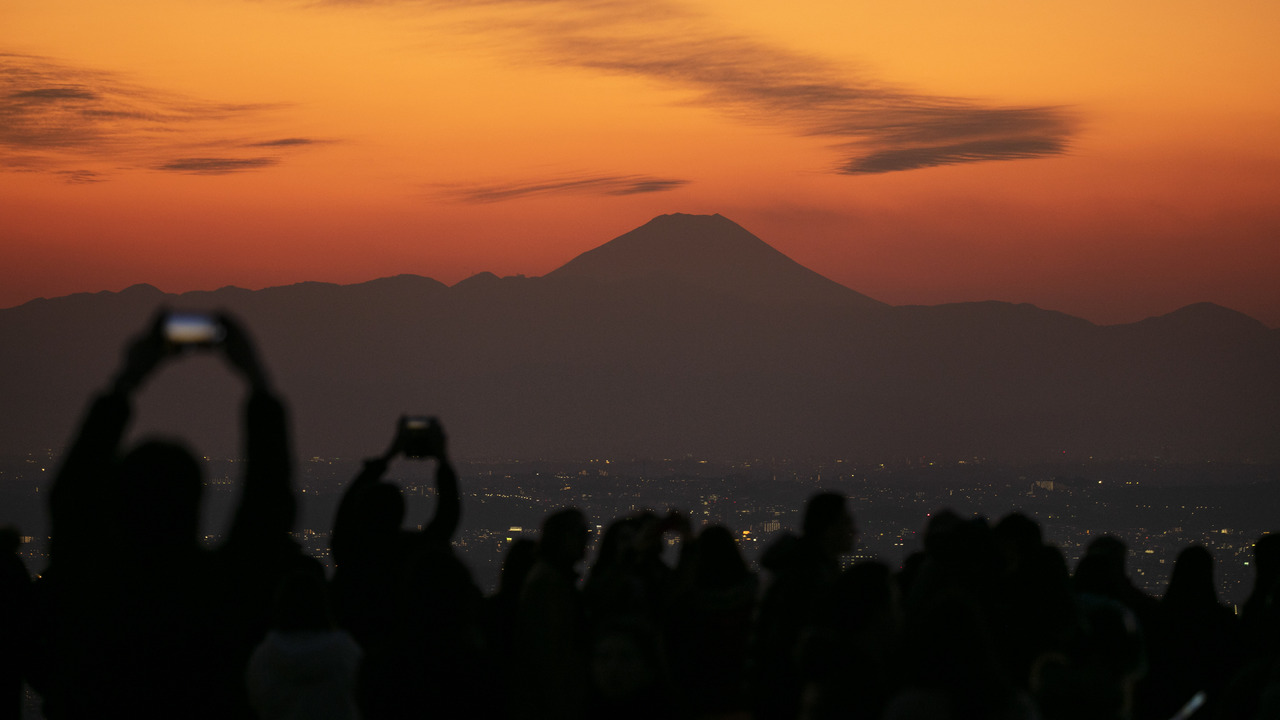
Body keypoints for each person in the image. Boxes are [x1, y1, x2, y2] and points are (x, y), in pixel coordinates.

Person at [29, 311, 302, 720]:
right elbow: (268, 510)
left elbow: (73, 501)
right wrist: (257, 381)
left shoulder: (94, 599)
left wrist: (126, 381)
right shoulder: (220, 600)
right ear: (195, 503)